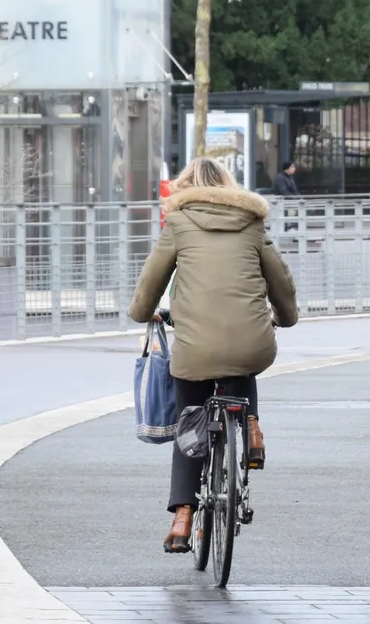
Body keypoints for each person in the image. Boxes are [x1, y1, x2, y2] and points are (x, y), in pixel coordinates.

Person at [128, 156, 299, 554]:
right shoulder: (252, 223)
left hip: (195, 349)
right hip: (251, 342)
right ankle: (252, 426)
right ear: (229, 187)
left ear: (186, 188)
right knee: (243, 354)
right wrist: (285, 318)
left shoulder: (180, 222)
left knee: (191, 421)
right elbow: (281, 282)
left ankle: (183, 517)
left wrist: (141, 312)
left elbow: (152, 277)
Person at [271, 161, 300, 232]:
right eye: (292, 167)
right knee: (292, 210)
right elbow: (284, 192)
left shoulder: (289, 178)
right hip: (284, 203)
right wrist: (296, 199)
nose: (294, 169)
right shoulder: (280, 178)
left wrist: (299, 198)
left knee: (296, 209)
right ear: (287, 168)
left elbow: (295, 191)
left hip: (290, 202)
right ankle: (290, 227)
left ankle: (293, 227)